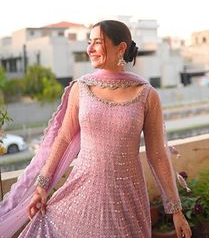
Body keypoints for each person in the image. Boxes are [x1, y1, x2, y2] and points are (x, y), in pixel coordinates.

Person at [0, 20, 191, 238]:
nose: (89, 49)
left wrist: (176, 210)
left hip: (126, 200)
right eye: (89, 42)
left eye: (97, 43)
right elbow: (63, 138)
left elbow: (157, 154)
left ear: (121, 48)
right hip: (81, 194)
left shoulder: (147, 95)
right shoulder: (81, 88)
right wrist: (41, 186)